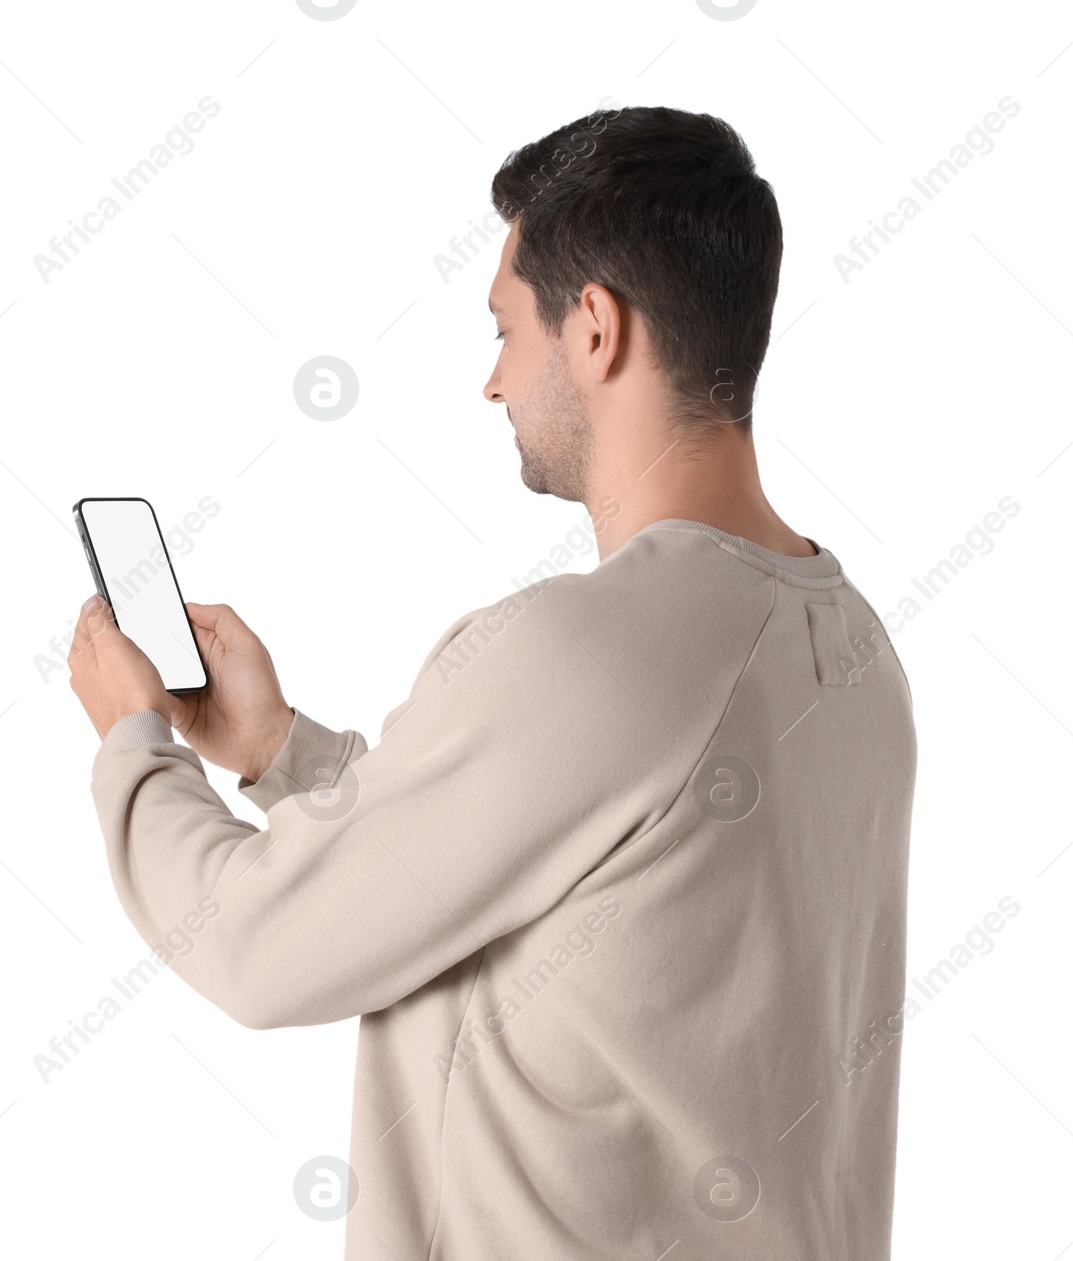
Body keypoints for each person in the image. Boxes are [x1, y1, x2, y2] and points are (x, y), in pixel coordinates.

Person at [69, 104, 917, 1260]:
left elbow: (258, 947)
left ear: (597, 330)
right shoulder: (850, 642)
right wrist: (281, 754)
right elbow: (543, 868)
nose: (491, 382)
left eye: (506, 329)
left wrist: (133, 742)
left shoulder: (587, 646)